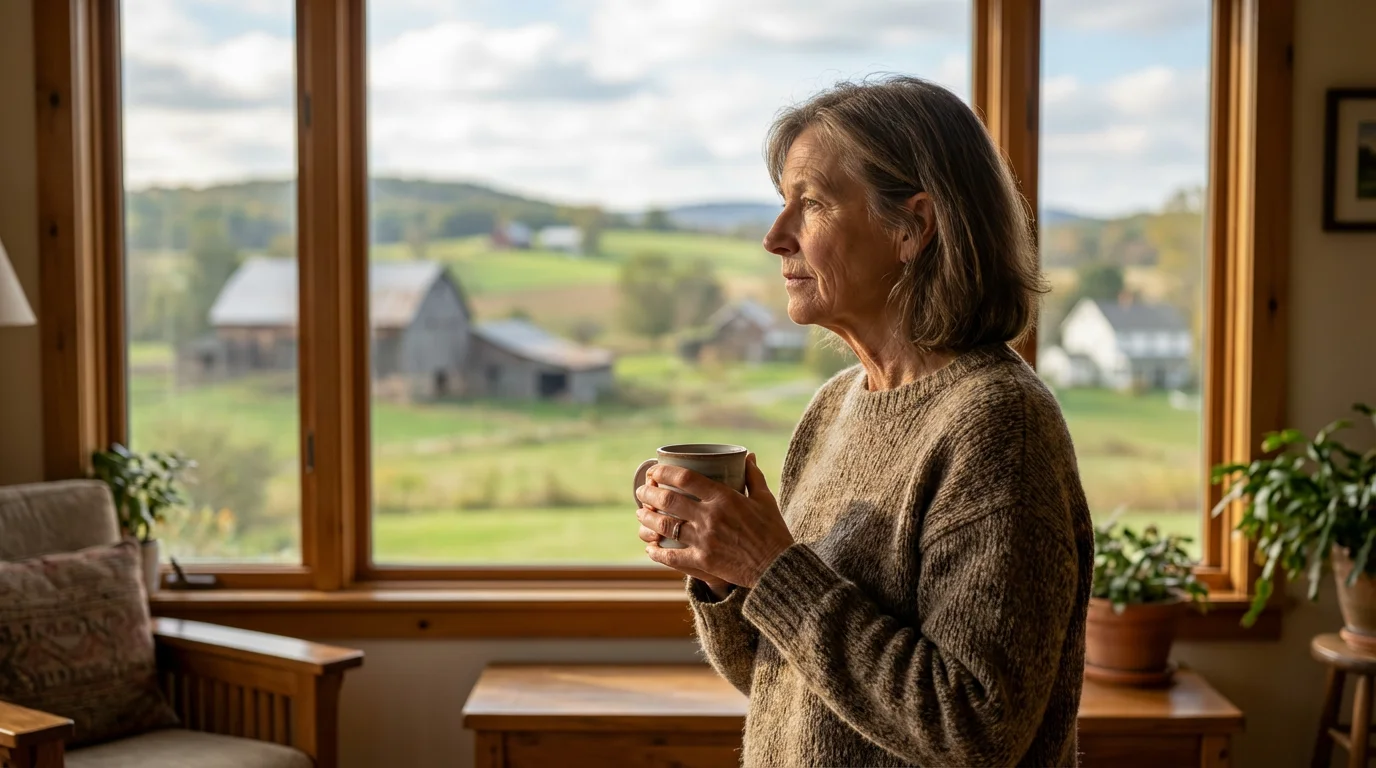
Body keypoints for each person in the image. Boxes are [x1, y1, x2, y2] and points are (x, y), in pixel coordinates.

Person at [633, 76, 1093, 768]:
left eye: (810, 204)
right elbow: (782, 678)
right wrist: (728, 574)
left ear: (913, 226)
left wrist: (772, 565)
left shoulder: (1000, 425)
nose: (774, 237)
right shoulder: (834, 406)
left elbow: (974, 728)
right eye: (781, 203)